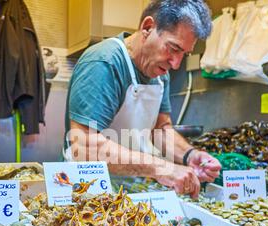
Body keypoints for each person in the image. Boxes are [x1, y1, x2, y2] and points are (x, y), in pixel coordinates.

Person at [63, 0, 221, 198]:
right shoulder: (105, 62)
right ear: (148, 27)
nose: (176, 63)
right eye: (173, 48)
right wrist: (162, 168)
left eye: (184, 53)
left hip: (134, 187)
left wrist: (190, 155)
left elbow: (161, 130)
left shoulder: (159, 72)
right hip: (89, 188)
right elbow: (85, 147)